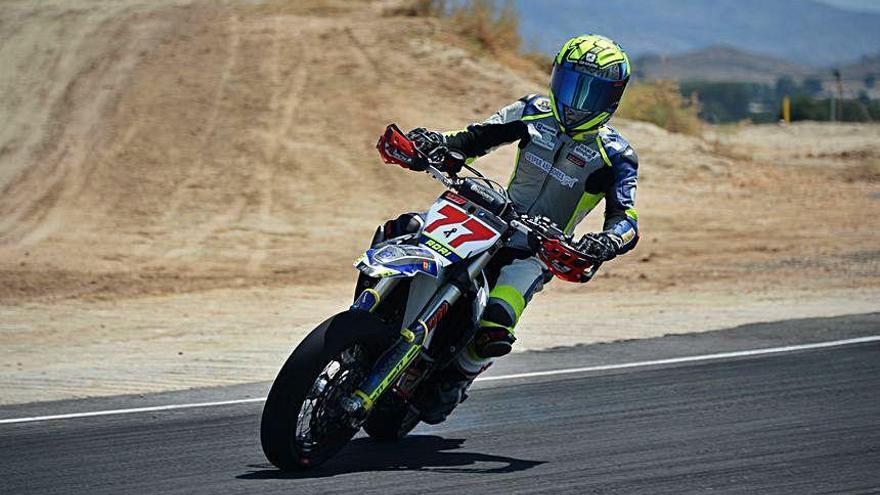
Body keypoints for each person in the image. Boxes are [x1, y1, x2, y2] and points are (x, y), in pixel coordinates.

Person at [384, 34, 640, 423]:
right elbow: (471, 139)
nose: (576, 102)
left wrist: (604, 241)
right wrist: (435, 145)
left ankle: (456, 379)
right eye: (571, 86)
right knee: (404, 229)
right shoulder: (533, 110)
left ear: (612, 99)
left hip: (539, 250)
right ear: (555, 78)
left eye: (591, 94)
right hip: (487, 216)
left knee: (496, 326)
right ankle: (372, 317)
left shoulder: (617, 156)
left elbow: (626, 219)